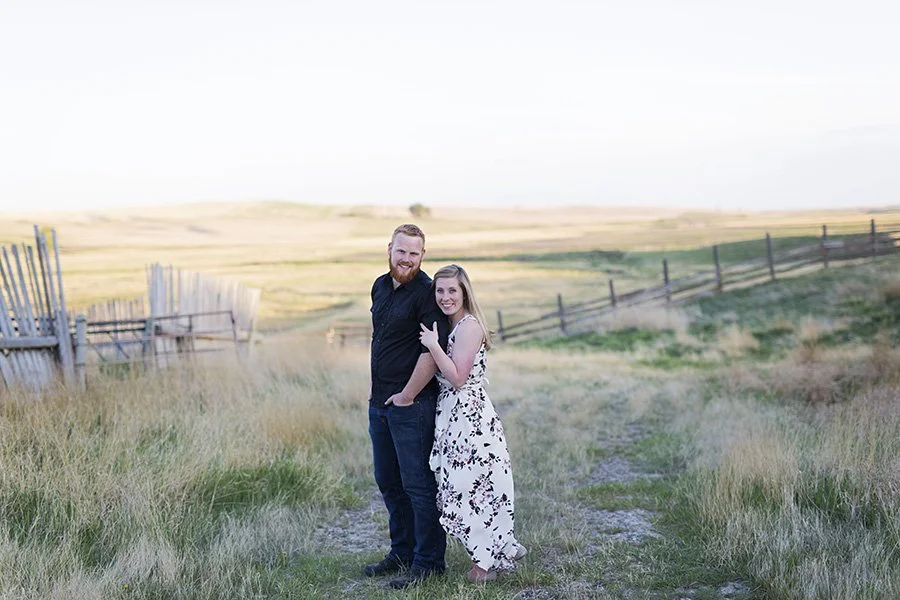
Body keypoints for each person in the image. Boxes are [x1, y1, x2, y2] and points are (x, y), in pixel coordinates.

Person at [418, 264, 526, 583]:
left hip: (470, 418)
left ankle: (484, 563)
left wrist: (433, 345)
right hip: (454, 416)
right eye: (440, 290)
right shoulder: (452, 325)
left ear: (464, 292)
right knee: (467, 485)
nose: (446, 297)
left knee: (471, 487)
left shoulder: (469, 326)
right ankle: (495, 550)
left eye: (452, 290)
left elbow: (459, 377)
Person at [363, 224, 450, 590]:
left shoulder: (426, 294)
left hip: (411, 406)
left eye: (414, 253)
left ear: (422, 255)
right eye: (402, 251)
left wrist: (407, 396)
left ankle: (428, 563)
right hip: (378, 403)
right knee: (388, 482)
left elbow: (430, 352)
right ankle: (401, 552)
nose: (407, 259)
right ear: (390, 249)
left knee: (417, 485)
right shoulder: (380, 286)